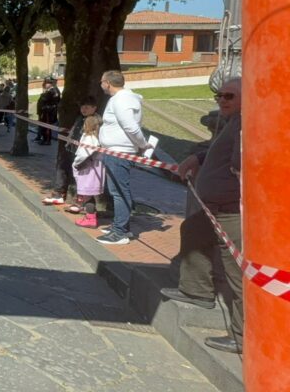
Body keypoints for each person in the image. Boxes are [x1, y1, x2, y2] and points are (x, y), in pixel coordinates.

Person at [161, 78, 244, 354]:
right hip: (214, 208)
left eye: (229, 95)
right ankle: (197, 291)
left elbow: (242, 165)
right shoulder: (231, 122)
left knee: (237, 273)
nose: (222, 100)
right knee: (193, 232)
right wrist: (198, 158)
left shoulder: (247, 124)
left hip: (232, 210)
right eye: (219, 95)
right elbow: (217, 150)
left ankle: (243, 336)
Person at [97, 70, 149, 245]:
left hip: (119, 153)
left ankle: (120, 232)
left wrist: (142, 144)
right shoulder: (123, 99)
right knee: (116, 191)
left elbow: (131, 127)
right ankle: (119, 226)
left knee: (119, 192)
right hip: (115, 151)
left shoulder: (121, 99)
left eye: (102, 82)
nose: (101, 84)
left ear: (108, 83)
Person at [43, 95, 98, 206]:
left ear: (94, 108)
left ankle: (80, 201)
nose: (84, 109)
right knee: (62, 168)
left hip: (83, 153)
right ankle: (59, 193)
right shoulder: (80, 118)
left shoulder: (94, 120)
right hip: (71, 148)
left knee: (80, 177)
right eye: (82, 107)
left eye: (87, 107)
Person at [70, 114, 105, 228]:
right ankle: (91, 216)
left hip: (88, 169)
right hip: (97, 168)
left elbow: (82, 155)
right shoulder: (100, 138)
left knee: (87, 195)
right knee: (90, 194)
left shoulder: (89, 138)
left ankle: (90, 218)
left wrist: (75, 163)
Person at [34, 78, 60, 144]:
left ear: (50, 84)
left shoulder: (53, 91)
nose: (45, 85)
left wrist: (43, 95)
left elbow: (51, 101)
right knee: (43, 126)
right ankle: (44, 139)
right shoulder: (48, 91)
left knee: (47, 127)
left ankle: (47, 140)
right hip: (44, 111)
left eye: (46, 83)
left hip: (48, 112)